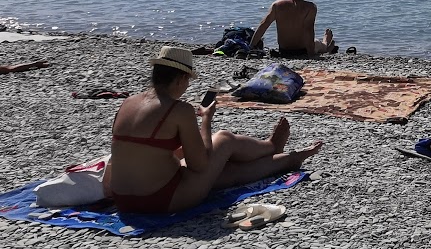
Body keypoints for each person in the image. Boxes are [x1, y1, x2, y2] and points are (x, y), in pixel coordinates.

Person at [103, 46, 321, 215]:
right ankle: (271, 146)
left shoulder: (128, 103)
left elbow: (147, 150)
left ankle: (286, 159)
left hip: (122, 199)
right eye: (187, 81)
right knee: (224, 140)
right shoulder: (179, 110)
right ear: (180, 79)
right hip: (160, 199)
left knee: (222, 174)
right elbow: (200, 164)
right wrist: (206, 119)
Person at [249, 0, 337, 56]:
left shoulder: (277, 5)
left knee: (315, 42)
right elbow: (308, 30)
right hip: (302, 50)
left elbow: (264, 25)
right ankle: (326, 45)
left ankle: (325, 45)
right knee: (318, 43)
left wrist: (251, 46)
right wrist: (311, 53)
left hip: (284, 50)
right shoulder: (310, 7)